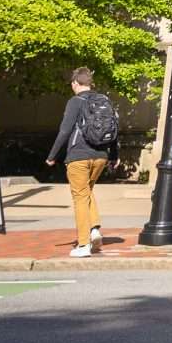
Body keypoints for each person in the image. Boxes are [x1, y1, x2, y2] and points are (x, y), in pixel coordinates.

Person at [45, 66, 119, 258]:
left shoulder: (75, 101)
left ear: (75, 83)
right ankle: (94, 230)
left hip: (78, 156)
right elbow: (114, 129)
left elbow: (65, 131)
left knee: (80, 197)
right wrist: (113, 156)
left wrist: (52, 156)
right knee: (87, 192)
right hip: (101, 155)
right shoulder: (104, 100)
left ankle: (84, 244)